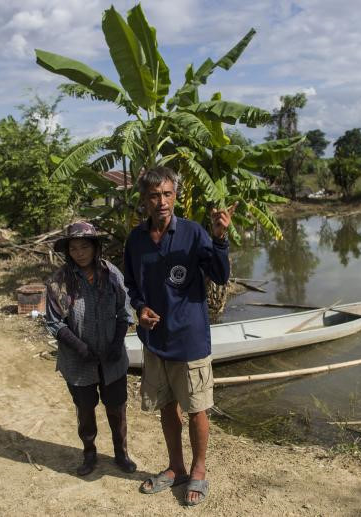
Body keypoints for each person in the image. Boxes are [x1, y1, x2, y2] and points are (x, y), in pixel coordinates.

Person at [123, 166, 234, 506]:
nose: (162, 202)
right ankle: (176, 468)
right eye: (155, 195)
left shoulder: (193, 233)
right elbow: (132, 285)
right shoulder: (136, 240)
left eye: (168, 194)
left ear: (176, 196)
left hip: (190, 339)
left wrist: (219, 239)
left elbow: (219, 274)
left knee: (197, 408)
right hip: (155, 340)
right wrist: (140, 309)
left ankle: (198, 471)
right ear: (144, 200)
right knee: (167, 406)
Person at [44, 221, 137, 476]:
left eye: (85, 246)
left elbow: (124, 313)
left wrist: (117, 344)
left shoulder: (112, 274)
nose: (80, 253)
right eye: (74, 248)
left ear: (96, 247)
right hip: (77, 362)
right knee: (85, 410)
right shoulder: (59, 281)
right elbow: (54, 322)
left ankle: (121, 454)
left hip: (112, 359)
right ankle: (89, 453)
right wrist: (81, 348)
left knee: (116, 407)